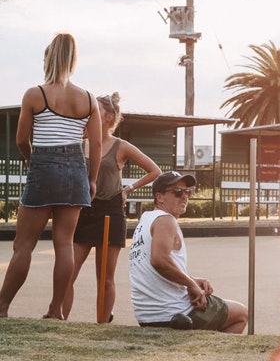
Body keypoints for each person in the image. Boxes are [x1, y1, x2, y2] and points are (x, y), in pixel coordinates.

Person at [0, 33, 102, 320]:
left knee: (24, 246)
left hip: (43, 165)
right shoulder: (89, 99)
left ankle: (2, 306)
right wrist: (91, 180)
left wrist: (31, 157)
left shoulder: (35, 94)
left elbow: (21, 139)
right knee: (64, 243)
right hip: (75, 170)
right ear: (73, 60)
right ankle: (56, 310)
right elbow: (95, 145)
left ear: (49, 58)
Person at [63, 92, 162, 322]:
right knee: (68, 274)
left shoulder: (121, 146)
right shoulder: (81, 143)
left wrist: (129, 188)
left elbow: (154, 170)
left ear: (108, 116)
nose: (89, 114)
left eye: (95, 110)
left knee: (105, 277)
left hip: (111, 213)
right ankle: (60, 320)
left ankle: (103, 323)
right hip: (84, 212)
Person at [128, 171, 248, 333]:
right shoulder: (166, 220)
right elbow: (159, 261)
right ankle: (208, 354)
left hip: (147, 316)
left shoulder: (146, 219)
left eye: (187, 192)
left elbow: (155, 266)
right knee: (241, 313)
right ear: (160, 197)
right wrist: (190, 284)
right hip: (174, 313)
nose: (184, 196)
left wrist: (190, 278)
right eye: (177, 192)